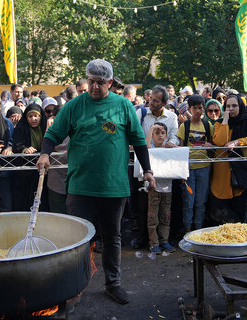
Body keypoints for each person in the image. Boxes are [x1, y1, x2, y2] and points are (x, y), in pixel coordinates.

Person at [37, 59, 155, 305]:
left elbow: (139, 141)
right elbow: (52, 134)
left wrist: (148, 171)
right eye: (91, 82)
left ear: (110, 83)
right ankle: (74, 287)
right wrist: (45, 153)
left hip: (114, 186)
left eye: (100, 83)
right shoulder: (74, 106)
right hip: (81, 186)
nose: (94, 87)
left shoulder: (123, 106)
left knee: (112, 237)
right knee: (79, 240)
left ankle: (113, 284)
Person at [210, 94, 247, 224]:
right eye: (228, 106)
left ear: (240, 106)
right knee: (220, 215)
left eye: (234, 106)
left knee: (238, 215)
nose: (231, 109)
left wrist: (237, 142)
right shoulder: (219, 123)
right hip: (221, 175)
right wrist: (225, 120)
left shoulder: (246, 121)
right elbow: (221, 141)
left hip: (238, 174)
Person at [177, 95, 213, 231]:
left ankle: (198, 230)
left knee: (201, 202)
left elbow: (212, 143)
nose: (198, 111)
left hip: (204, 168)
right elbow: (180, 150)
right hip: (189, 170)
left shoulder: (207, 125)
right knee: (188, 201)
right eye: (195, 108)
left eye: (201, 108)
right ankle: (187, 230)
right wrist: (181, 172)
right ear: (190, 109)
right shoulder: (184, 126)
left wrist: (211, 145)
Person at [145, 122, 176, 254]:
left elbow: (179, 160)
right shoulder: (150, 147)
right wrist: (151, 129)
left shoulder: (169, 149)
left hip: (167, 189)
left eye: (162, 133)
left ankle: (165, 241)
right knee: (153, 217)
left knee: (165, 216)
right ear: (152, 135)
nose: (160, 135)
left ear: (166, 136)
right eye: (156, 133)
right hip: (154, 188)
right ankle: (154, 243)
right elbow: (144, 147)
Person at [12, 103, 48, 211]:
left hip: (41, 169)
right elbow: (16, 144)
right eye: (30, 116)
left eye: (37, 116)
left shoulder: (45, 127)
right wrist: (25, 149)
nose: (34, 119)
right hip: (25, 171)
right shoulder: (21, 128)